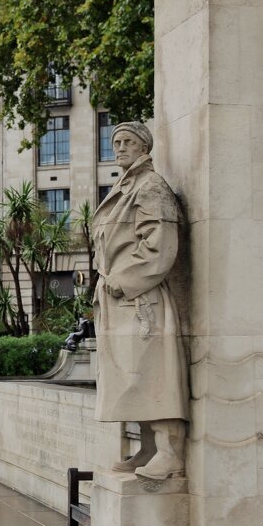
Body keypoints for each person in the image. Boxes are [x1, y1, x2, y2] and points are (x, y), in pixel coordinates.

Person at [91, 121, 189, 481]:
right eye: (116, 141)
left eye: (128, 141)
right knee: (132, 377)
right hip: (119, 296)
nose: (119, 147)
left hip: (140, 295)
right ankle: (148, 447)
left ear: (143, 145)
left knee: (153, 372)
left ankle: (169, 452)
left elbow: (161, 245)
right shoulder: (123, 186)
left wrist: (122, 280)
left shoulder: (151, 187)